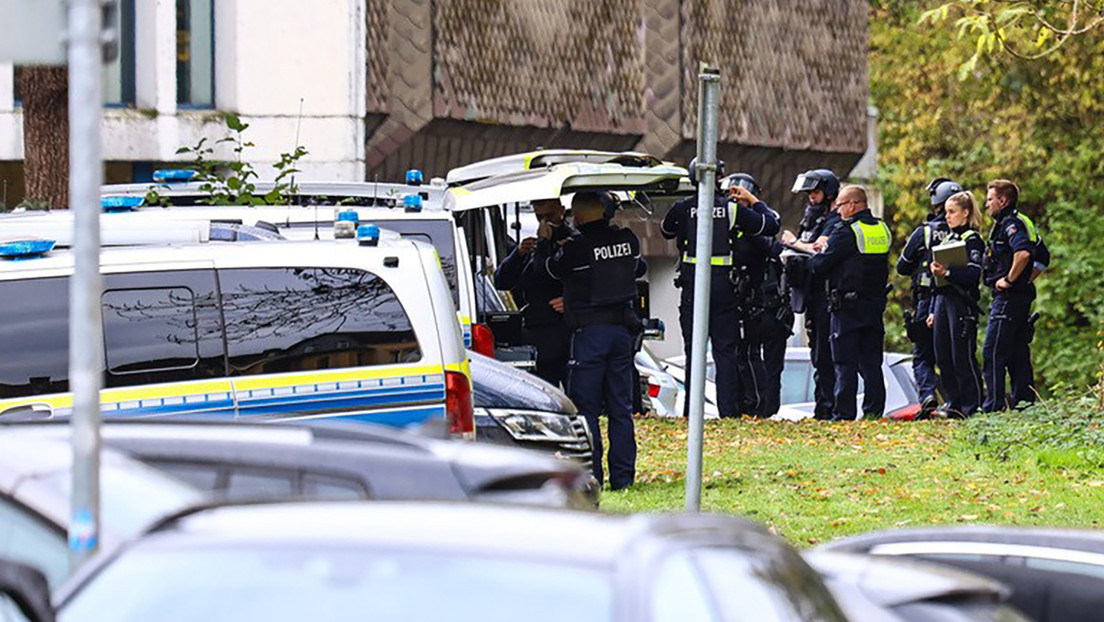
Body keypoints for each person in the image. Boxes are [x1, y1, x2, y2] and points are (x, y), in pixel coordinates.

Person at [540, 191, 645, 489]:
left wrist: (548, 241)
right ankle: (624, 478)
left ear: (580, 216)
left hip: (589, 335)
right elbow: (637, 269)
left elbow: (551, 271)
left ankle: (592, 477)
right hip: (622, 333)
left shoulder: (577, 247)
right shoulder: (628, 240)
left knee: (586, 410)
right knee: (620, 408)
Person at [809, 185, 891, 420]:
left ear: (854, 205)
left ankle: (843, 414)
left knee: (844, 363)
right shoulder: (881, 229)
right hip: (874, 306)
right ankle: (874, 413)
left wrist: (820, 250)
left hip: (847, 308)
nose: (838, 210)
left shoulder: (846, 231)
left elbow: (819, 265)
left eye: (841, 205)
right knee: (872, 364)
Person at [896, 178, 962, 416]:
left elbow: (902, 267)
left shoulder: (924, 232)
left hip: (926, 300)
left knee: (923, 354)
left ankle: (927, 396)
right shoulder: (966, 233)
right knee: (952, 354)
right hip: (958, 301)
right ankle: (956, 402)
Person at [782, 169, 841, 420]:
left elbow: (819, 250)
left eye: (815, 193)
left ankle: (829, 409)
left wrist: (793, 243)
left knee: (828, 356)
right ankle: (822, 409)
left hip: (827, 296)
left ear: (828, 193)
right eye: (809, 194)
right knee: (818, 356)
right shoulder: (810, 219)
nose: (811, 198)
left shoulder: (835, 221)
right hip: (811, 295)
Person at [493, 198, 571, 386]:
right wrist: (518, 254)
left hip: (565, 330)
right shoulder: (533, 246)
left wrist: (572, 299)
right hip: (535, 330)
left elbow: (548, 272)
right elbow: (501, 281)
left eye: (549, 216)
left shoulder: (572, 241)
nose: (544, 222)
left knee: (575, 392)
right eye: (539, 217)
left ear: (561, 211)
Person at [981, 179, 1042, 412]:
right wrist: (1026, 279)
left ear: (1003, 200)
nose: (986, 204)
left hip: (1008, 298)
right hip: (1018, 298)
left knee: (993, 351)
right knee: (1017, 352)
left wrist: (1009, 280)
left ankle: (993, 408)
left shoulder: (1011, 224)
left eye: (989, 199)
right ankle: (1025, 405)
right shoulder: (1013, 223)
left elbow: (1024, 253)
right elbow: (1041, 258)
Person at [724, 173, 781, 417]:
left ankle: (757, 405)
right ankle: (737, 404)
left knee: (749, 353)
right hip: (727, 297)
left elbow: (772, 230)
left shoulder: (754, 227)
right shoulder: (723, 220)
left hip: (749, 297)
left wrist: (754, 202)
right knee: (732, 353)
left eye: (742, 199)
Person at [928, 191, 986, 418]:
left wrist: (948, 272)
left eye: (952, 212)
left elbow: (973, 273)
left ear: (965, 213)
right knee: (943, 355)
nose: (948, 217)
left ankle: (971, 407)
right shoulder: (947, 239)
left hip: (961, 302)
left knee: (962, 355)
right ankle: (953, 404)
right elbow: (937, 282)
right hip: (942, 301)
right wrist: (933, 309)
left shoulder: (972, 239)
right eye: (946, 212)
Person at [758, 237, 794, 417]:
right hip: (773, 314)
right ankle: (766, 406)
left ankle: (764, 406)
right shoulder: (777, 252)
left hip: (769, 313)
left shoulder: (752, 248)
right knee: (771, 366)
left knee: (757, 360)